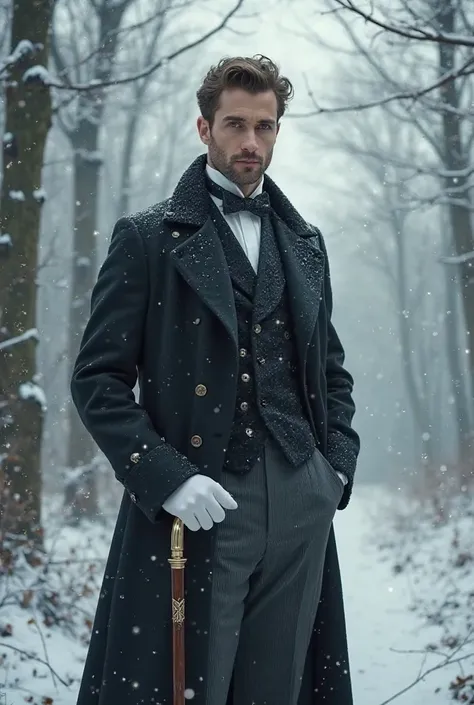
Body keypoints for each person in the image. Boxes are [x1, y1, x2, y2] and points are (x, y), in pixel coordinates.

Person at [71, 54, 360, 705]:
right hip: (202, 497)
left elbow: (330, 372)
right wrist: (166, 475)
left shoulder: (307, 243)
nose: (250, 141)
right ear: (204, 128)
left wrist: (333, 468)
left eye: (265, 126)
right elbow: (97, 379)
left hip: (300, 497)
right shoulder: (147, 240)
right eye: (235, 124)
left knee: (278, 688)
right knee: (188, 687)